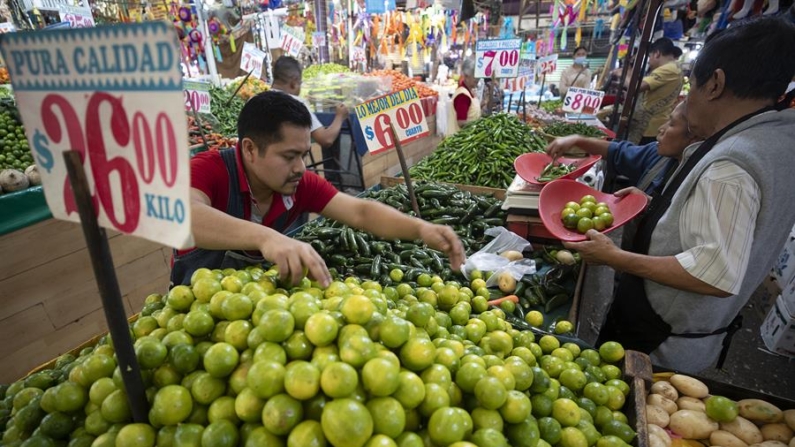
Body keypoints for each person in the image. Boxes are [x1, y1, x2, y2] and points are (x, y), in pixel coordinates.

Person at [566, 16, 795, 373]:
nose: (687, 101)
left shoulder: (733, 162)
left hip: (663, 340)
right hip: (693, 331)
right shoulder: (779, 140)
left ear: (715, 84)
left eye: (692, 86)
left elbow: (712, 273)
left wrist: (614, 257)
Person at [173, 91, 465, 287]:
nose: (301, 167)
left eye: (303, 154)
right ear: (250, 149)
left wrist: (420, 229)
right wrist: (266, 238)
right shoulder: (209, 170)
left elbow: (360, 212)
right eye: (289, 156)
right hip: (191, 316)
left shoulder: (298, 183)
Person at [546, 101, 700, 248]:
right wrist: (576, 140)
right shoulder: (659, 154)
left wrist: (652, 206)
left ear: (694, 136)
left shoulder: (702, 179)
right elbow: (617, 151)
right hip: (634, 246)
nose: (661, 128)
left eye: (671, 124)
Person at [270, 56, 348, 149]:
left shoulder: (256, 100)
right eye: (300, 83)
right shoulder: (297, 103)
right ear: (293, 83)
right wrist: (340, 116)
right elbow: (326, 139)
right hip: (289, 162)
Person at [626, 38, 684, 145]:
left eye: (649, 56)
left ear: (657, 54)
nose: (648, 60)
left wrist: (627, 72)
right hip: (652, 125)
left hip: (649, 126)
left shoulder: (668, 69)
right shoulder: (674, 68)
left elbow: (634, 88)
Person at [452, 59, 482, 129]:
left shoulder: (469, 92)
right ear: (466, 76)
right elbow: (461, 123)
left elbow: (471, 110)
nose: (477, 79)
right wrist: (479, 125)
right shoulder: (463, 96)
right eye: (474, 75)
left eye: (478, 76)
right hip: (459, 138)